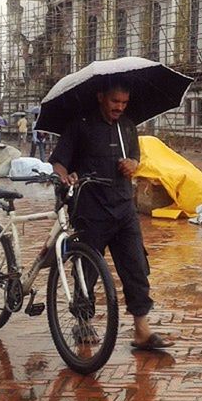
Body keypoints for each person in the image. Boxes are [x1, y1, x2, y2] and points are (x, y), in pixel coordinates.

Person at [49, 81, 174, 351]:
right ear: (101, 97)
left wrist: (133, 164)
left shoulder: (127, 126)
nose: (119, 107)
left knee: (136, 267)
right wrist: (65, 176)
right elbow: (58, 161)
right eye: (115, 101)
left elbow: (136, 157)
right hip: (90, 210)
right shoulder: (80, 125)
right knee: (88, 270)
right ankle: (83, 321)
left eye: (124, 103)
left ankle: (141, 329)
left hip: (123, 209)